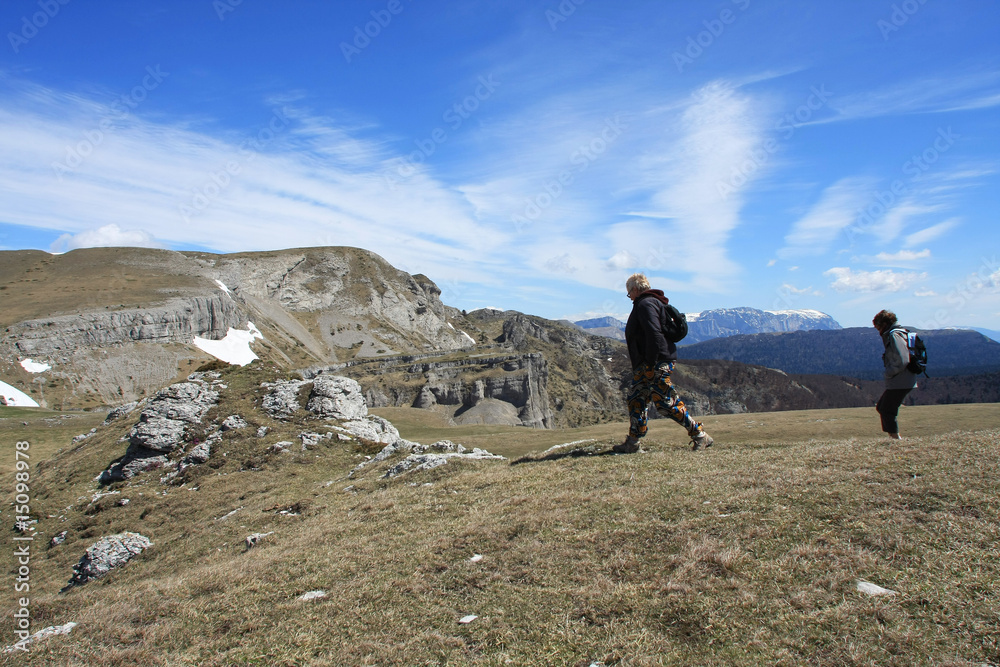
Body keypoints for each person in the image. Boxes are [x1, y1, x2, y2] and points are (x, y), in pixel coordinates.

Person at [615, 273, 713, 453]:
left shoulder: (645, 304)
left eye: (629, 293)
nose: (629, 297)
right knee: (636, 399)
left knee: (665, 402)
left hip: (655, 363)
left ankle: (700, 435)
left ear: (635, 289)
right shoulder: (650, 302)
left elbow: (654, 333)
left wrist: (651, 364)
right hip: (648, 363)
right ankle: (633, 442)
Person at [872, 309, 918, 440]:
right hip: (905, 379)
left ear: (885, 324)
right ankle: (894, 437)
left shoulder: (894, 335)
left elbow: (902, 359)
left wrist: (889, 373)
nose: (878, 330)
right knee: (883, 407)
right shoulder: (901, 332)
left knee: (886, 409)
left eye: (878, 327)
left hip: (900, 380)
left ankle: (895, 439)